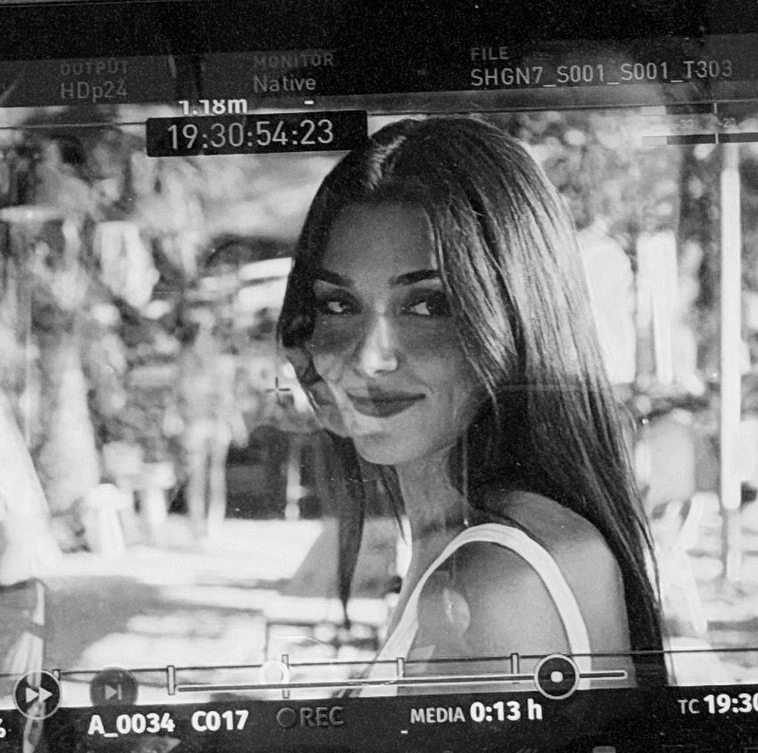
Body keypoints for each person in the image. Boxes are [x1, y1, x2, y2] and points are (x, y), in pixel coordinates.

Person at [277, 116, 665, 694]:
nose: (369, 358)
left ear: (514, 314)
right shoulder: (516, 538)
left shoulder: (489, 581)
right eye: (338, 305)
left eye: (428, 306)